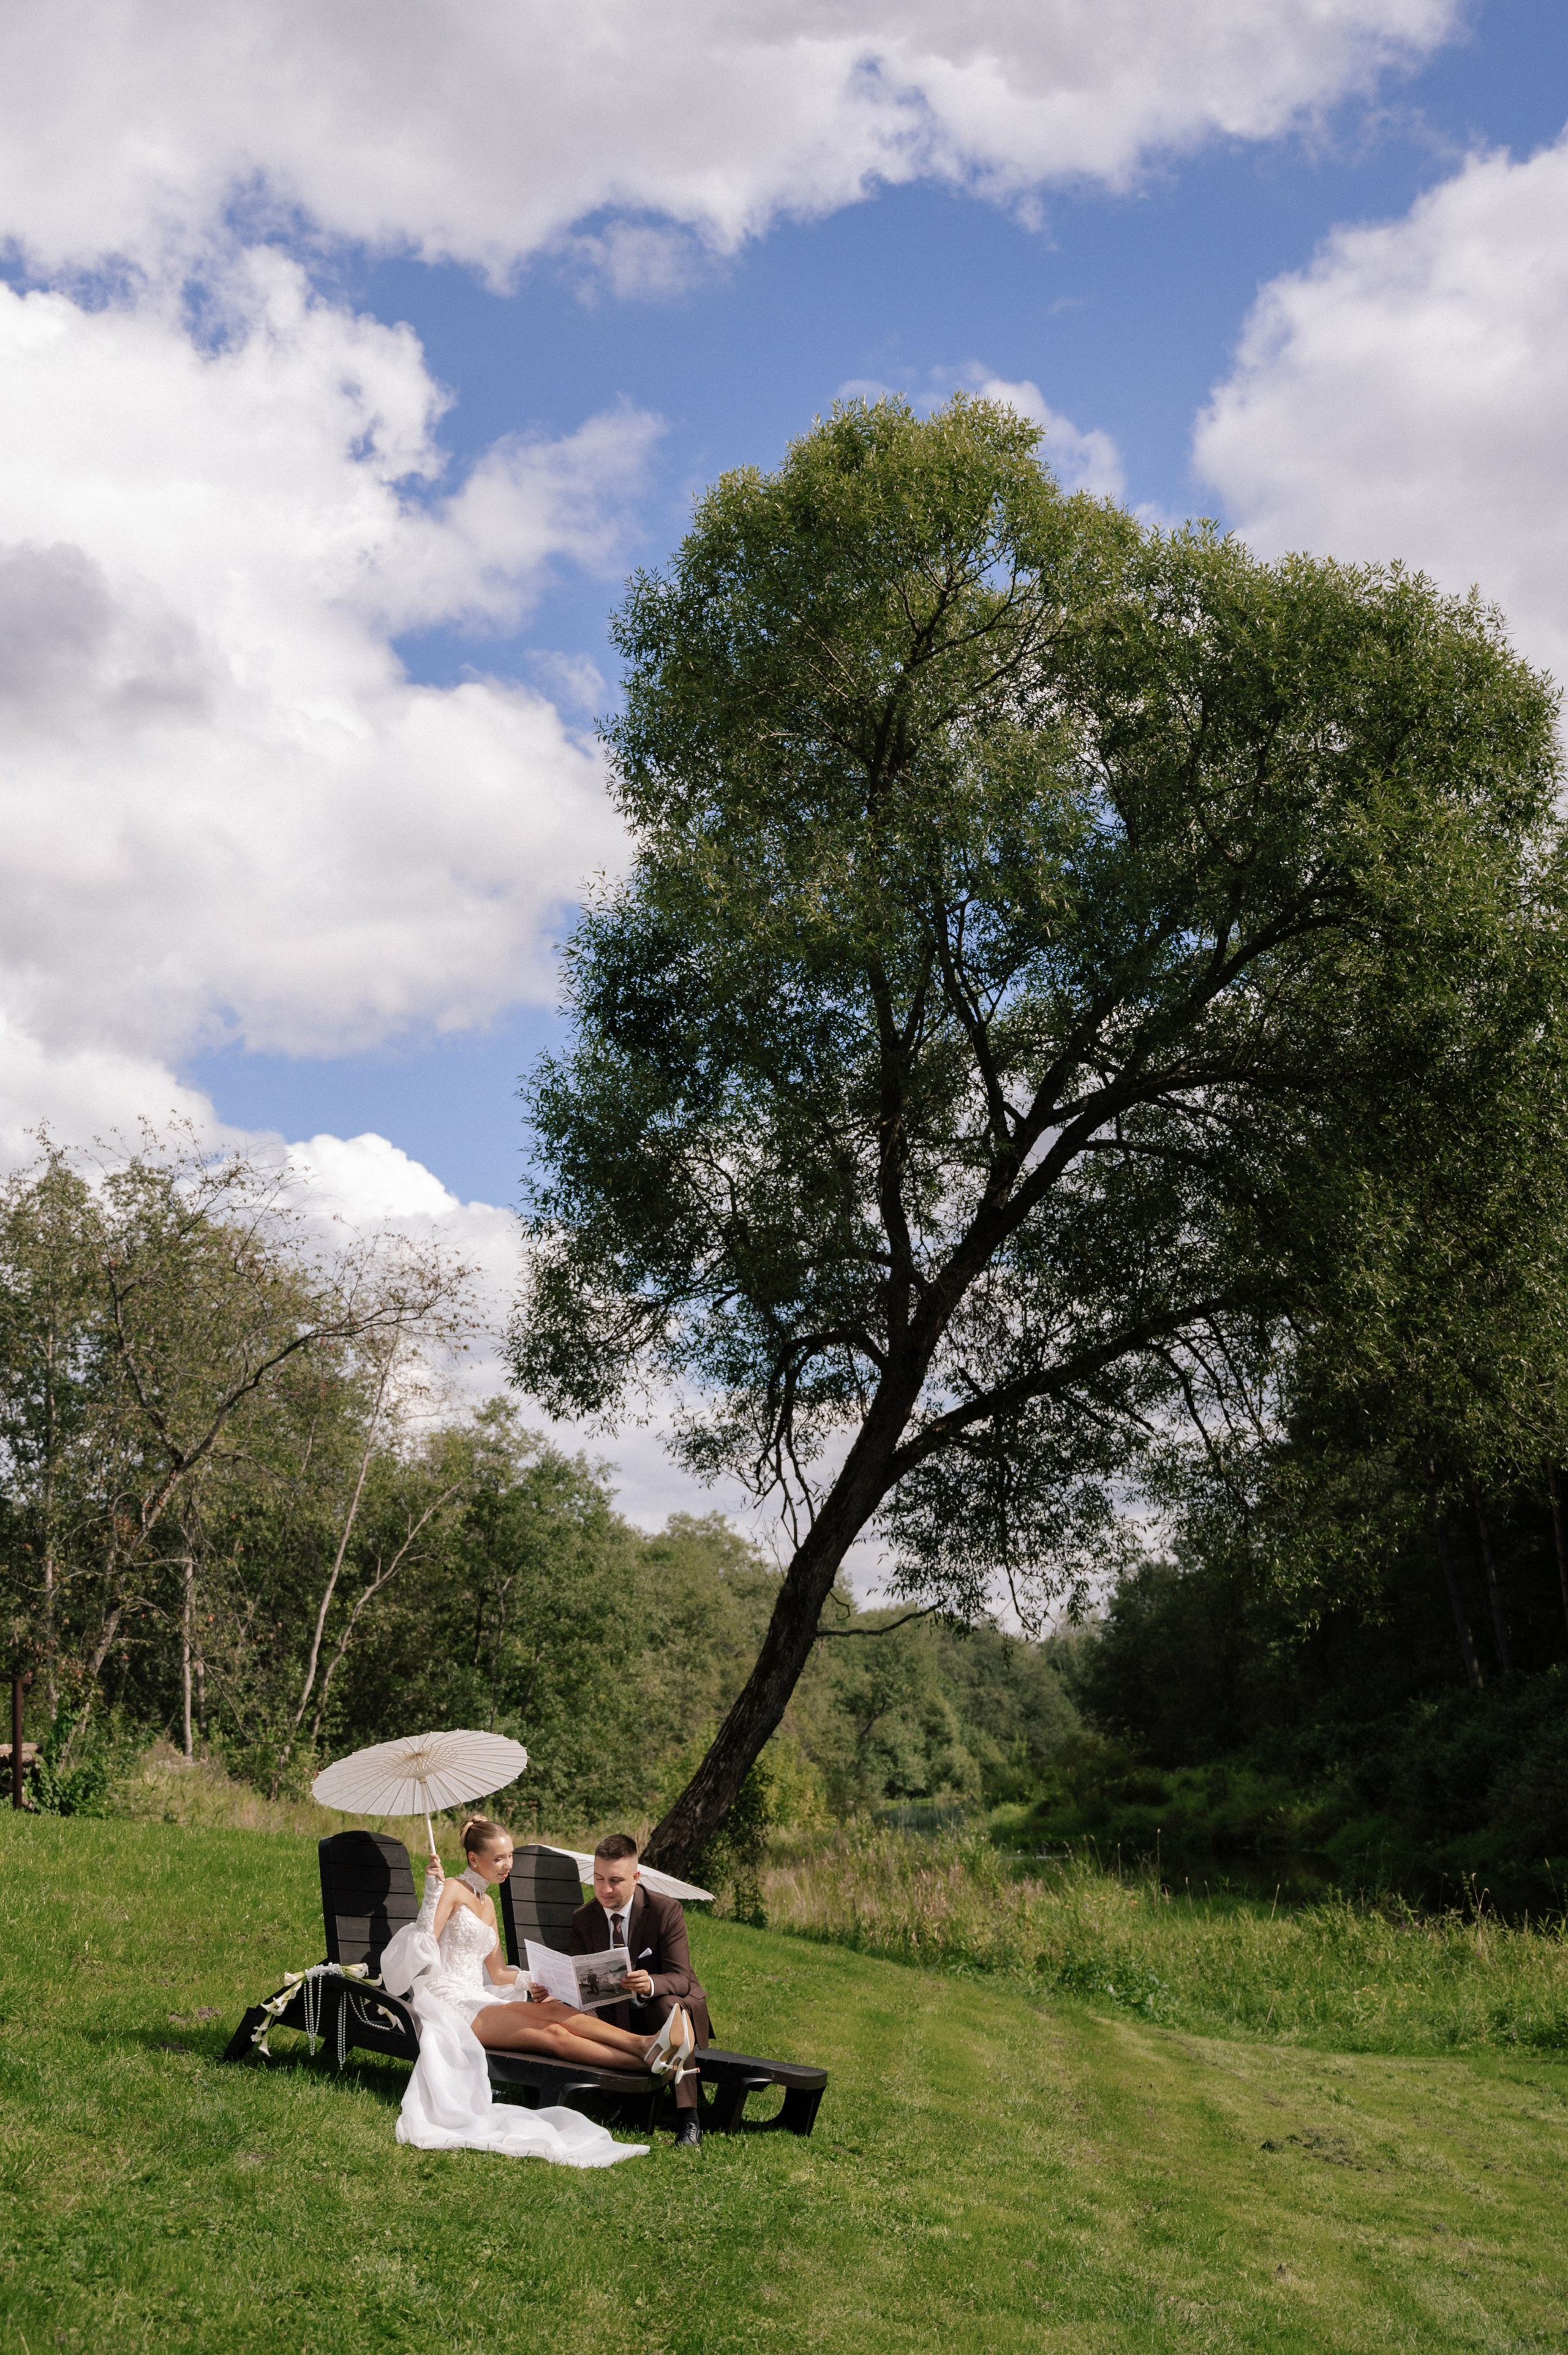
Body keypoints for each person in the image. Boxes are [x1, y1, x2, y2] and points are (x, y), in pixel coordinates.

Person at [379, 1815, 691, 2168]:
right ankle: (647, 2058)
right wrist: (432, 1894)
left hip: (480, 1996)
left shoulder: (487, 1905)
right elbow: (423, 1945)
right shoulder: (450, 1888)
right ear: (474, 1859)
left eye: (510, 1856)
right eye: (499, 1858)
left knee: (556, 2013)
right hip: (448, 2000)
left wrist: (534, 1981)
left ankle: (645, 2046)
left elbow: (498, 1972)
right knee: (553, 2036)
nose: (507, 1865)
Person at [571, 1832, 710, 2149]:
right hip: (611, 2010)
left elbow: (682, 1977)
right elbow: (578, 1976)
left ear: (636, 1877)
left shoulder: (665, 1910)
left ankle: (689, 2118)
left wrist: (650, 1984)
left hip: (657, 2005)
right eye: (599, 1879)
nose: (605, 1889)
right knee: (580, 2013)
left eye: (615, 1881)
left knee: (670, 2010)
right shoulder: (584, 1918)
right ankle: (614, 2097)